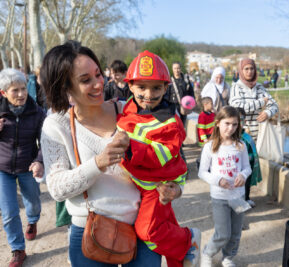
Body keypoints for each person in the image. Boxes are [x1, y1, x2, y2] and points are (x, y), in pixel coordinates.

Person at [40, 41, 181, 266]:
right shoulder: (57, 125)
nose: (98, 84)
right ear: (65, 88)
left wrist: (174, 187)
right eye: (86, 80)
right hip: (91, 230)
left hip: (142, 228)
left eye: (98, 74)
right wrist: (98, 163)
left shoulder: (129, 110)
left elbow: (170, 158)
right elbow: (56, 188)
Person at [116, 50, 201, 267]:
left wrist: (128, 147)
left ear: (165, 88)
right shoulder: (128, 108)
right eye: (141, 87)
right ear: (131, 86)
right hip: (137, 183)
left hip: (155, 185)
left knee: (149, 231)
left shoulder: (170, 122)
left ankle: (188, 239)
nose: (148, 94)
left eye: (156, 88)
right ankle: (182, 258)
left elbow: (160, 155)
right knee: (165, 225)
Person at [0, 68, 46, 267]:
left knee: (33, 201)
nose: (20, 94)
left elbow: (46, 142)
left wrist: (39, 161)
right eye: (14, 91)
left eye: (22, 89)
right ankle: (18, 249)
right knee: (9, 212)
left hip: (27, 166)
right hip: (2, 170)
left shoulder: (37, 112)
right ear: (3, 93)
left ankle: (33, 219)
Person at [198, 106, 252, 267]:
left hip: (238, 197)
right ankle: (207, 253)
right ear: (217, 123)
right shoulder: (210, 146)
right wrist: (218, 180)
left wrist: (243, 175)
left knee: (235, 233)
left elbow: (247, 167)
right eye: (227, 123)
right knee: (223, 233)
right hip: (220, 197)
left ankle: (228, 258)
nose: (231, 128)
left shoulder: (240, 145)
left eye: (235, 124)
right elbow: (202, 172)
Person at [229, 58, 278, 142]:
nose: (250, 71)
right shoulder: (236, 87)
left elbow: (274, 105)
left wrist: (267, 113)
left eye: (252, 68)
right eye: (246, 69)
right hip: (241, 135)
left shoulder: (259, 87)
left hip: (259, 135)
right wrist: (261, 102)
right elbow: (237, 108)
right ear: (241, 70)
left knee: (256, 155)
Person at [237, 108, 262, 208]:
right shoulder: (230, 137)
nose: (239, 122)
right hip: (234, 167)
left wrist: (249, 158)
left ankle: (246, 198)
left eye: (241, 119)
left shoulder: (247, 137)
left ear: (245, 121)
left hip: (246, 166)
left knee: (246, 183)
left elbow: (252, 152)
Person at [165, 62, 194, 127]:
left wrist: (192, 102)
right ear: (172, 69)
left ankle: (181, 136)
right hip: (173, 106)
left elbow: (191, 92)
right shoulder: (169, 81)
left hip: (184, 107)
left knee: (182, 125)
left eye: (178, 68)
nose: (177, 70)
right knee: (174, 125)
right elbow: (166, 94)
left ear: (180, 69)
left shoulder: (186, 80)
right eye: (175, 68)